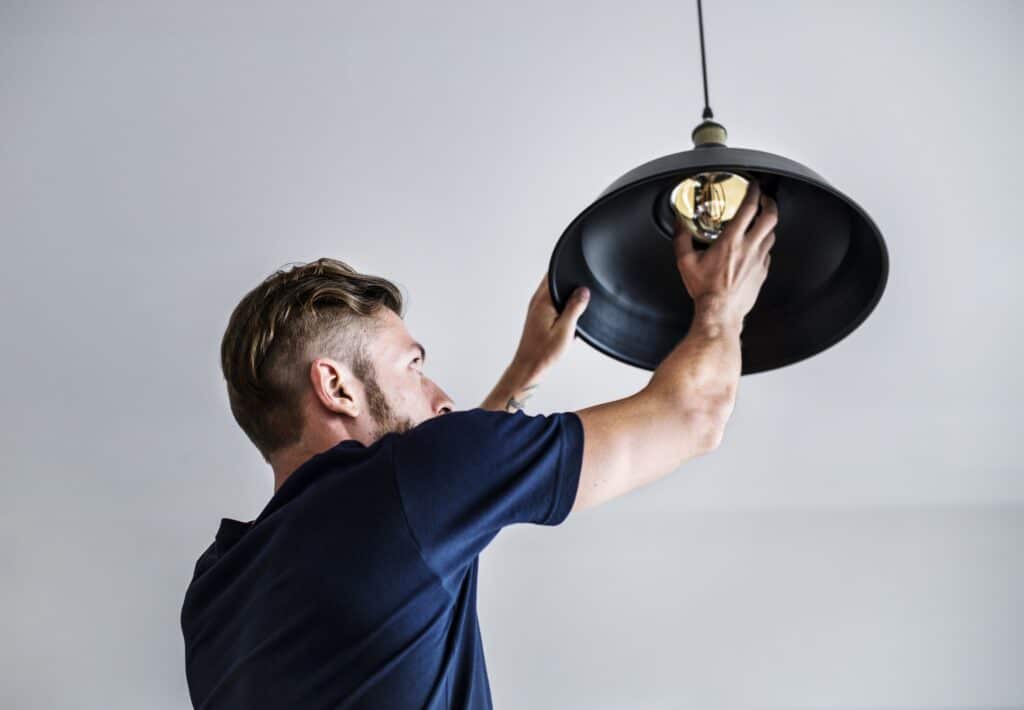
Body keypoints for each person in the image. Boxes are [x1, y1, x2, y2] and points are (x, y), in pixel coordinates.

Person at [180, 181, 777, 709]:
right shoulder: (404, 487)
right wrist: (721, 304)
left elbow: (413, 534)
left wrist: (520, 377)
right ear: (337, 386)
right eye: (413, 366)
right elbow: (696, 414)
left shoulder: (215, 595)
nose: (441, 399)